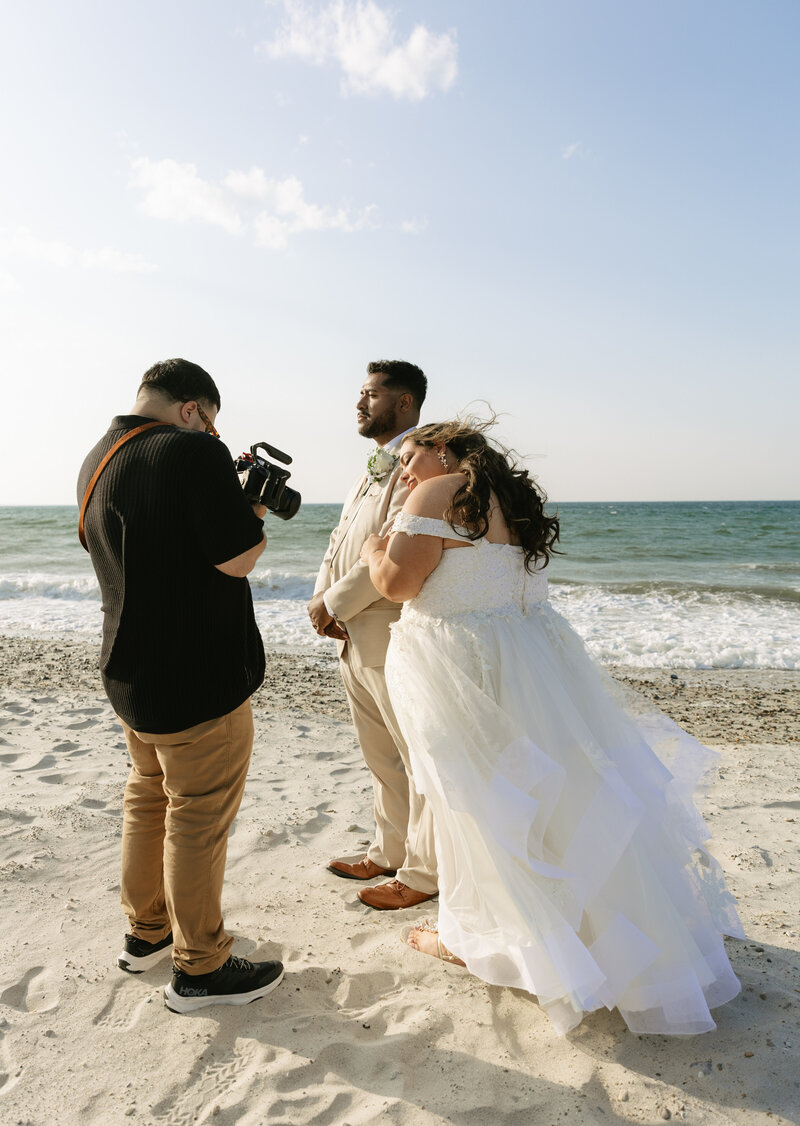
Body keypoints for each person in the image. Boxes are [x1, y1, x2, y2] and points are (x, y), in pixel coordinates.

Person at [360, 418, 744, 1035]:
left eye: (411, 457)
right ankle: (574, 937)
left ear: (446, 450)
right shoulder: (512, 497)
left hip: (467, 673)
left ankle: (473, 937)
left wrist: (373, 549)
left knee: (479, 804)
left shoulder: (437, 491)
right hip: (531, 666)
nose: (404, 472)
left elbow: (400, 584)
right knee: (552, 802)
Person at [77, 358, 284, 1013]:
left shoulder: (97, 457)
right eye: (214, 425)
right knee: (196, 820)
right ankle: (200, 969)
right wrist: (251, 504)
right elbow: (239, 556)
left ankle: (148, 933)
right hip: (196, 680)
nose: (216, 438)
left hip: (129, 675)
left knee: (148, 801)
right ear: (193, 410)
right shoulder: (192, 450)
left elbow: (135, 548)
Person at [308, 361, 438, 910]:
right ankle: (389, 851)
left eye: (371, 394)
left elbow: (392, 546)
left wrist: (334, 602)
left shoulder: (421, 463)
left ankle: (424, 872)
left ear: (404, 402)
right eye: (360, 394)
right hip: (351, 630)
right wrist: (321, 595)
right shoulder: (373, 464)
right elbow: (343, 536)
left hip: (388, 624)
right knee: (378, 753)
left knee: (415, 756)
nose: (359, 404)